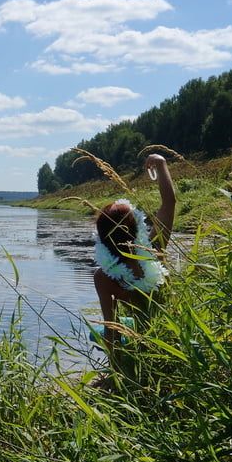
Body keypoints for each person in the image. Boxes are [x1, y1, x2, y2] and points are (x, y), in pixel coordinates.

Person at [92, 154, 176, 374]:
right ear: (137, 229)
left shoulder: (105, 276)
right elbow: (169, 203)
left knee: (97, 332)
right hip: (171, 334)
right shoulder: (154, 250)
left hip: (143, 338)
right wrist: (160, 163)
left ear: (101, 239)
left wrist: (115, 373)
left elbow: (112, 329)